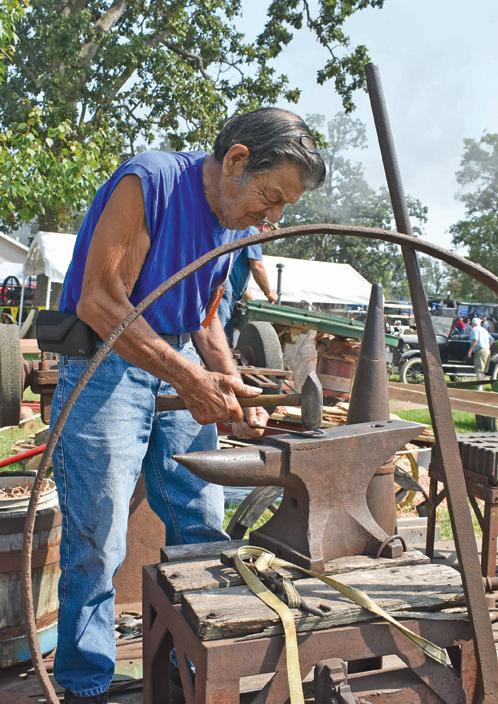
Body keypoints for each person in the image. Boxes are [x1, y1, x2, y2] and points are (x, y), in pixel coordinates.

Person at [53, 108, 325, 704]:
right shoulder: (150, 182)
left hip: (173, 357)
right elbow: (101, 301)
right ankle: (86, 683)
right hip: (104, 364)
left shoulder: (231, 224)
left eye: (284, 207)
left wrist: (230, 387)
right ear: (236, 161)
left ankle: (190, 666)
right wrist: (192, 379)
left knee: (200, 521)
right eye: (270, 197)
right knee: (97, 536)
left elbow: (205, 320)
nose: (272, 217)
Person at [217, 225, 278, 345]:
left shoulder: (242, 232)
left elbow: (241, 286)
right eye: (272, 233)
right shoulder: (252, 232)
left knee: (225, 339)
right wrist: (270, 294)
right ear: (265, 227)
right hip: (222, 293)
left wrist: (255, 304)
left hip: (226, 293)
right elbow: (257, 267)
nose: (270, 240)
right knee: (219, 340)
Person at [468, 316, 493, 388]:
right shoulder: (484, 330)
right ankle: (481, 386)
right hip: (487, 350)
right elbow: (492, 340)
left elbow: (474, 340)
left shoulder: (474, 329)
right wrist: (487, 346)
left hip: (480, 351)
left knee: (479, 370)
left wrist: (470, 351)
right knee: (483, 371)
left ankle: (480, 387)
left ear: (473, 323)